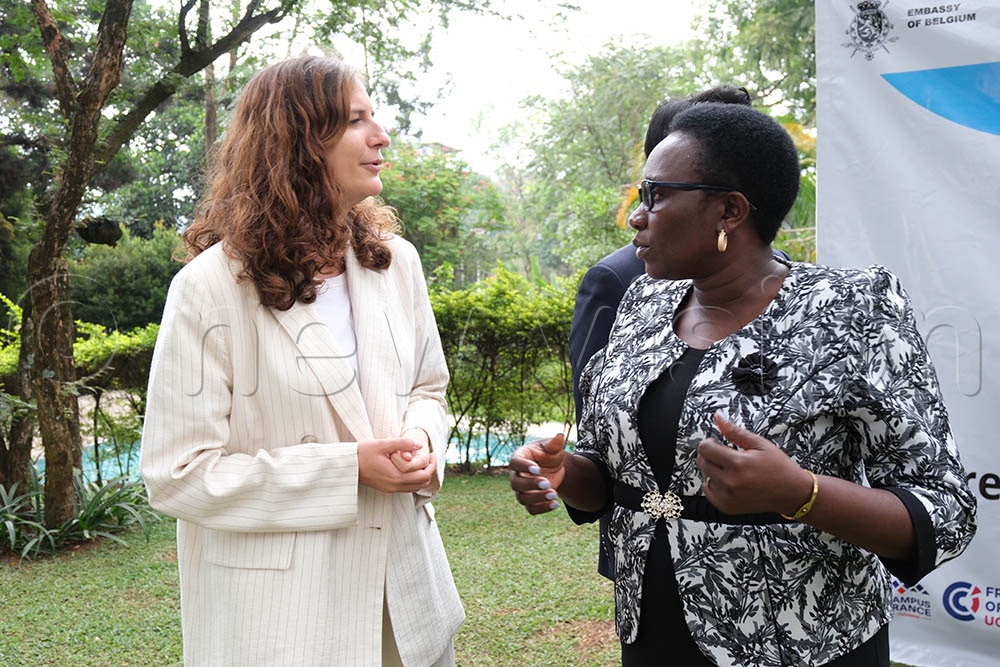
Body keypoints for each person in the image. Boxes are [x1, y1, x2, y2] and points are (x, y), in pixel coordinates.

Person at [511, 103, 977, 666]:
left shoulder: (851, 309)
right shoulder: (642, 304)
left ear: (729, 211)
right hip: (654, 633)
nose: (637, 216)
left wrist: (800, 493)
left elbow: (947, 511)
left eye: (655, 195)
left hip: (804, 643)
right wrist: (566, 473)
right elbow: (623, 481)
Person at [141, 56, 463, 667]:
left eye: (375, 117)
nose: (381, 136)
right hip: (284, 623)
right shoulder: (209, 288)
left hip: (409, 607)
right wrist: (347, 471)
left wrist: (421, 440)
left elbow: (428, 387)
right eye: (354, 121)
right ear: (297, 143)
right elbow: (177, 472)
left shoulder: (394, 263)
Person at [568, 85, 780, 582]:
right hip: (650, 560)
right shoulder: (622, 283)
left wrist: (804, 494)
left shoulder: (820, 299)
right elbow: (602, 426)